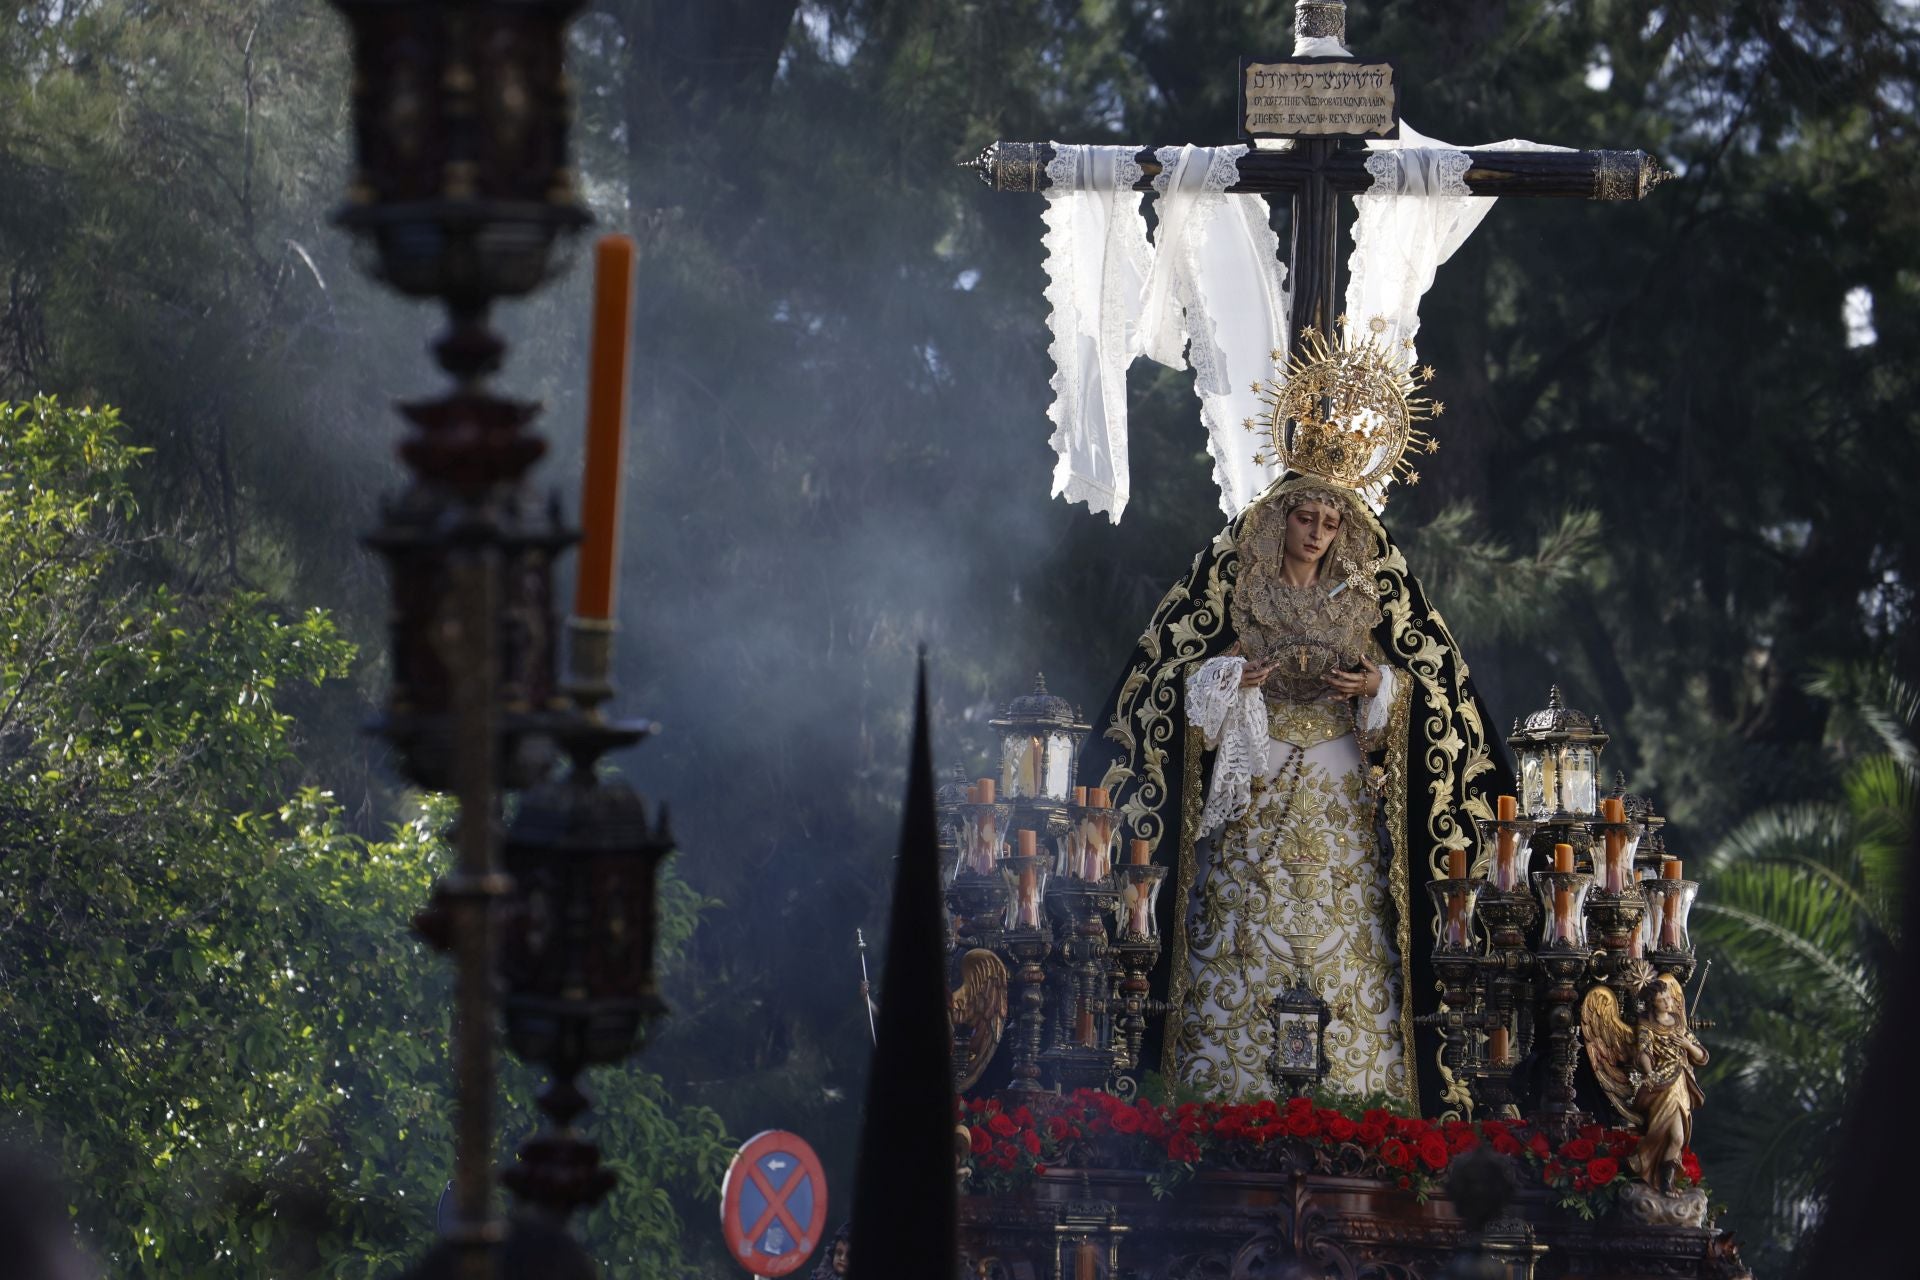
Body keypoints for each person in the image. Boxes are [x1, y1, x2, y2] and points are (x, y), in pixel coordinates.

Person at [1081, 471, 1511, 1111]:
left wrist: (1377, 691)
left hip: (1341, 778)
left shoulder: (1367, 594)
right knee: (1241, 915)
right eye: (1305, 518)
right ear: (1279, 519)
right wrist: (1232, 678)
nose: (1316, 534)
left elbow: (1434, 690)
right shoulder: (1234, 589)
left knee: (1353, 924)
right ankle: (1223, 1095)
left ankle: (1362, 1103)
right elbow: (1168, 682)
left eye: (1330, 523)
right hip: (1258, 769)